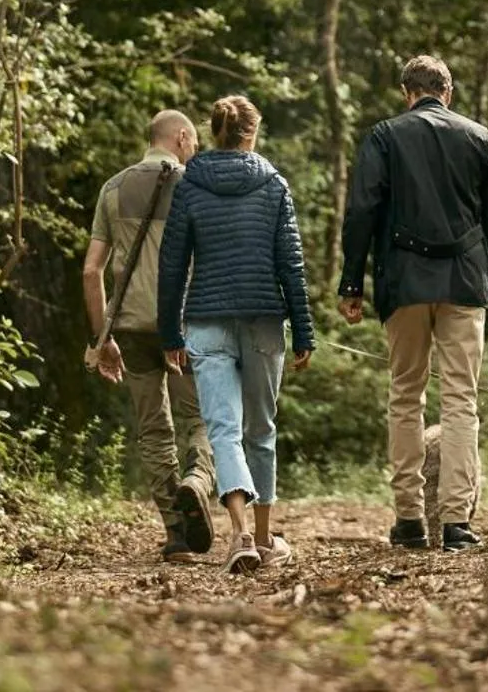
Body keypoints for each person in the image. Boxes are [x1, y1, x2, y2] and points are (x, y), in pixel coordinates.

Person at [337, 54, 488, 552]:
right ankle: (457, 521)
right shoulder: (480, 138)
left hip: (404, 283)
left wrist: (352, 282)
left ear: (405, 92)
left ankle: (410, 520)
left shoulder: (383, 137)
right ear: (448, 92)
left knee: (405, 396)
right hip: (463, 282)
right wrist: (485, 273)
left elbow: (361, 213)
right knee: (461, 400)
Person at [158, 95, 315, 575]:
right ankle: (265, 538)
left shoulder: (190, 185)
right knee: (261, 430)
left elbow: (172, 264)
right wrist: (304, 327)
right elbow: (290, 262)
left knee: (224, 431)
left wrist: (169, 331)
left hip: (206, 320)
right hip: (265, 319)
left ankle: (241, 535)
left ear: (216, 131)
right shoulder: (274, 184)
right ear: (251, 133)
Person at [82, 109, 216, 562]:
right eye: (194, 142)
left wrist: (103, 339)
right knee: (202, 418)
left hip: (131, 327)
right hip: (183, 325)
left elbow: (91, 271)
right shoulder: (195, 186)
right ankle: (197, 483)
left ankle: (177, 533)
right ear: (181, 138)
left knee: (154, 428)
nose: (194, 149)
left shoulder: (113, 189)